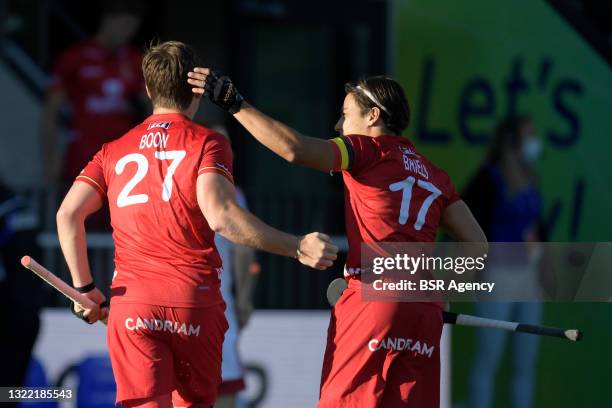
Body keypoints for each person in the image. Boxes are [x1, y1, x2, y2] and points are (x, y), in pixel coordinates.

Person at [55, 41, 338, 408]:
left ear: (147, 89)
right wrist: (295, 246)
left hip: (133, 305)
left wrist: (86, 288)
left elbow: (68, 214)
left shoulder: (113, 150)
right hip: (192, 303)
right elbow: (221, 216)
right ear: (197, 91)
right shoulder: (208, 143)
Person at [187, 69, 487, 407]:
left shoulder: (365, 150)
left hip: (373, 300)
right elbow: (478, 247)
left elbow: (294, 149)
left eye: (345, 116)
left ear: (373, 116)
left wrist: (236, 105)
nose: (338, 127)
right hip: (425, 311)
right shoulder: (436, 175)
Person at [460, 116, 544, 408]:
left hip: (529, 279)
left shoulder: (531, 176)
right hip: (496, 276)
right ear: (512, 141)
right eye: (529, 135)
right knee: (488, 359)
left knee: (525, 362)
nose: (535, 142)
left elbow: (538, 227)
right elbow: (460, 223)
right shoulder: (488, 178)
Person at [41, 1, 145, 186]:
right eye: (124, 26)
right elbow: (51, 112)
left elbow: (157, 106)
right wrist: (51, 158)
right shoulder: (74, 57)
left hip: (125, 161)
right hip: (83, 158)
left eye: (132, 29)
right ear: (107, 21)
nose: (128, 34)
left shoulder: (135, 60)